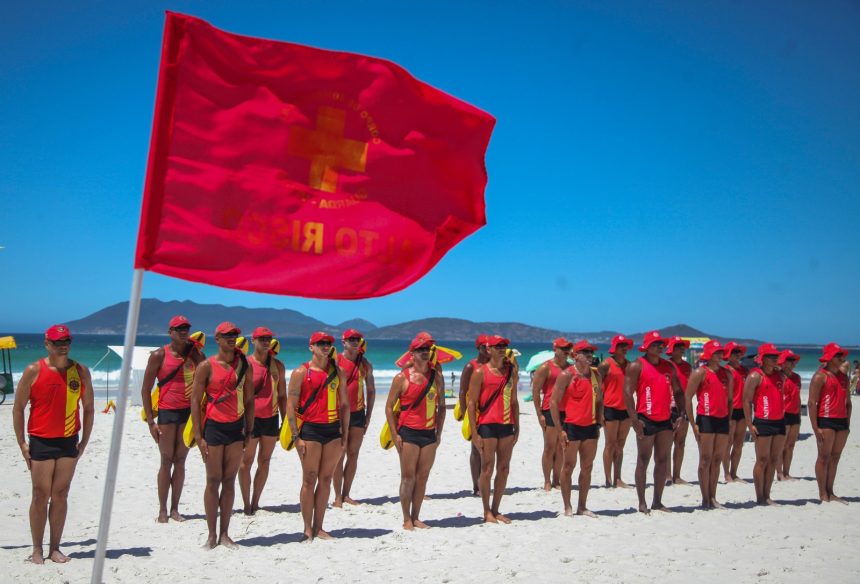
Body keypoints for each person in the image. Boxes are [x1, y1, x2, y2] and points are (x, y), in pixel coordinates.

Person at [12, 325, 94, 564]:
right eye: (58, 341)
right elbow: (18, 408)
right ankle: (37, 549)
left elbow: (88, 409)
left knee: (60, 494)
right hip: (41, 441)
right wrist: (22, 443)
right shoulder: (33, 370)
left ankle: (54, 548)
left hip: (69, 441)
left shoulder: (80, 371)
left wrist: (84, 442)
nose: (63, 345)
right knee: (40, 494)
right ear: (47, 343)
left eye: (67, 340)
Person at [190, 322, 254, 549]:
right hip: (214, 428)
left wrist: (250, 429)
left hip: (236, 428)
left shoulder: (244, 366)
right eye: (226, 335)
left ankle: (225, 533)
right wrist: (199, 436)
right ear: (216, 338)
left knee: (229, 481)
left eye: (234, 335)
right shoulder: (206, 366)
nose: (231, 338)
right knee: (212, 481)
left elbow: (248, 401)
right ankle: (211, 534)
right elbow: (195, 401)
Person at [140, 315, 205, 523]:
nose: (183, 331)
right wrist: (151, 421)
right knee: (166, 460)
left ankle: (175, 508)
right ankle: (162, 509)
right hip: (167, 413)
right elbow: (145, 389)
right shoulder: (159, 355)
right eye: (179, 329)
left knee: (181, 461)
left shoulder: (195, 355)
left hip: (188, 414)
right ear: (170, 332)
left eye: (186, 328)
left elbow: (208, 377)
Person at [286, 332, 349, 541]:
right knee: (309, 479)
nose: (325, 346)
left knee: (325, 479)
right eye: (320, 343)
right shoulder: (300, 372)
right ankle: (306, 528)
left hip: (332, 431)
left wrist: (344, 436)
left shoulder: (338, 372)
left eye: (328, 343)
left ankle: (319, 527)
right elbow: (291, 405)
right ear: (311, 347)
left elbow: (345, 405)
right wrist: (296, 437)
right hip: (310, 431)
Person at [386, 334, 445, 529]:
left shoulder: (436, 376)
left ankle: (416, 516)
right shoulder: (401, 377)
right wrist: (395, 435)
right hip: (408, 432)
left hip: (429, 433)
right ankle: (406, 519)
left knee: (423, 476)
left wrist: (439, 433)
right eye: (421, 350)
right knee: (408, 476)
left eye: (427, 350)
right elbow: (388, 407)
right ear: (412, 354)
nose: (425, 353)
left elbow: (442, 406)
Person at [623, 330, 684, 513]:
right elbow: (627, 393)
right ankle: (642, 502)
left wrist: (681, 414)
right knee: (643, 460)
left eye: (662, 345)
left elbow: (679, 391)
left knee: (662, 460)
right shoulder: (636, 366)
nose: (660, 347)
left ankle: (657, 501)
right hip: (645, 419)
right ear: (647, 347)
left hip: (665, 419)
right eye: (656, 344)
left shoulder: (669, 367)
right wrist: (634, 419)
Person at [468, 335, 519, 523]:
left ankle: (496, 509)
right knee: (487, 468)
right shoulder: (480, 372)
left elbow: (513, 401)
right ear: (488, 349)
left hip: (506, 425)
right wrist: (474, 432)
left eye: (504, 345)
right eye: (497, 346)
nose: (501, 348)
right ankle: (486, 510)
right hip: (487, 425)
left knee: (504, 469)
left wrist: (517, 425)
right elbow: (472, 404)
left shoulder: (511, 371)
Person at [551, 340, 602, 517]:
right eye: (585, 352)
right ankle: (567, 506)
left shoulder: (596, 375)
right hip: (571, 426)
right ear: (575, 356)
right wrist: (559, 430)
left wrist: (600, 422)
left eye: (591, 352)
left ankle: (582, 506)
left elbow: (599, 400)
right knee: (568, 467)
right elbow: (554, 402)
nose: (590, 354)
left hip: (591, 427)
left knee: (587, 467)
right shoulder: (567, 375)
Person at [238, 327, 286, 515]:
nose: (265, 342)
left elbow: (282, 396)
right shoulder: (245, 364)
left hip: (271, 419)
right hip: (249, 419)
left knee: (264, 461)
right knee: (245, 463)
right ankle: (245, 502)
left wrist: (285, 423)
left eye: (268, 338)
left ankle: (256, 501)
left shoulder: (278, 366)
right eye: (262, 339)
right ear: (253, 340)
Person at [684, 340, 732, 509]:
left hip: (722, 420)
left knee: (717, 459)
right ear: (709, 354)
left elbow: (730, 400)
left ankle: (713, 497)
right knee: (705, 460)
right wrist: (693, 424)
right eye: (717, 352)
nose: (720, 355)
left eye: (721, 352)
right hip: (706, 418)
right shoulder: (700, 372)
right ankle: (705, 498)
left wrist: (729, 419)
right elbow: (688, 398)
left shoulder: (727, 374)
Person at [333, 328, 376, 507]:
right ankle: (337, 496)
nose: (355, 342)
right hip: (337, 413)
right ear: (343, 342)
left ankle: (346, 494)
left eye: (357, 339)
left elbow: (371, 391)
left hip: (358, 413)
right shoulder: (335, 361)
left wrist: (368, 416)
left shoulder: (365, 364)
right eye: (351, 339)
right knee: (339, 454)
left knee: (353, 454)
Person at [808, 343, 852, 504]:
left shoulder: (843, 377)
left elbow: (848, 402)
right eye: (838, 356)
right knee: (824, 457)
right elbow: (812, 403)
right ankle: (822, 493)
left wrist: (847, 424)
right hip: (825, 420)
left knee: (835, 457)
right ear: (830, 358)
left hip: (841, 421)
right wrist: (815, 427)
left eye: (842, 355)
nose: (842, 358)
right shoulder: (820, 376)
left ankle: (830, 490)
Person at [742, 343, 785, 506]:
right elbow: (746, 401)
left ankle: (767, 495)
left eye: (776, 357)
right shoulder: (755, 376)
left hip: (779, 421)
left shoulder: (779, 375)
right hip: (763, 421)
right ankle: (759, 496)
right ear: (763, 359)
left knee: (774, 460)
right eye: (772, 357)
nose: (775, 360)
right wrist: (749, 424)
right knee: (762, 460)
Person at [530, 337, 572, 491]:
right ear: (555, 349)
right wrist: (539, 414)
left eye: (568, 348)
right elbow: (535, 391)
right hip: (549, 410)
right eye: (563, 348)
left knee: (562, 447)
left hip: (566, 411)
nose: (566, 351)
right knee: (549, 447)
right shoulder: (545, 368)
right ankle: (547, 480)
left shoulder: (570, 368)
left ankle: (556, 480)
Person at [598, 334, 634, 488]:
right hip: (610, 408)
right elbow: (597, 389)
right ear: (615, 348)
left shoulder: (630, 365)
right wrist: (599, 412)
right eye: (621, 346)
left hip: (625, 409)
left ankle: (618, 478)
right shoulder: (606, 364)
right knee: (610, 444)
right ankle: (608, 479)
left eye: (625, 346)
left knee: (620, 445)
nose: (624, 349)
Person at [458, 334, 489, 495]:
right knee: (476, 449)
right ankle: (476, 485)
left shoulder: (493, 366)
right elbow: (462, 393)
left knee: (487, 449)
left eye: (489, 346)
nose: (488, 349)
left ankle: (483, 482)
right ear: (478, 348)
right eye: (485, 347)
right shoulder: (471, 366)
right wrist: (465, 418)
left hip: (489, 412)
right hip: (474, 412)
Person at [722, 341, 749, 483]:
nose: (738, 355)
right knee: (728, 443)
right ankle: (726, 474)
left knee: (739, 444)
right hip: (730, 411)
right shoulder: (725, 371)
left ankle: (734, 473)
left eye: (739, 352)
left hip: (743, 411)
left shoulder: (745, 371)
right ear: (728, 355)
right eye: (735, 352)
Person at [666, 336, 692, 486]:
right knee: (668, 442)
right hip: (670, 406)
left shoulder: (687, 367)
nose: (682, 348)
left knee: (680, 443)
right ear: (672, 349)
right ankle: (668, 475)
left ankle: (677, 475)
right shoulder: (667, 365)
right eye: (678, 346)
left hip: (685, 407)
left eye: (683, 346)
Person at [777, 350, 802, 481]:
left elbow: (798, 397)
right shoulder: (778, 377)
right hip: (783, 414)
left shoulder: (797, 377)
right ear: (783, 362)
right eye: (790, 360)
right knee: (781, 445)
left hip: (795, 414)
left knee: (791, 445)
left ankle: (787, 472)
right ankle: (780, 473)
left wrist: (799, 415)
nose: (793, 363)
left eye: (794, 360)